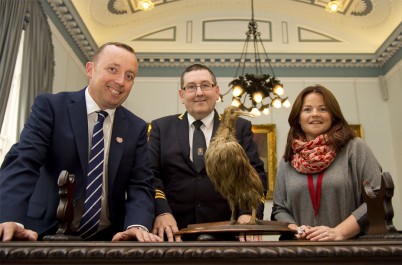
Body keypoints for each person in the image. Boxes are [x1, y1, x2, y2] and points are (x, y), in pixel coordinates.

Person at [0, 42, 162, 242]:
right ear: (90, 69)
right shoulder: (51, 107)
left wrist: (137, 226)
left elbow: (140, 185)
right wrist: (9, 217)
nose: (121, 81)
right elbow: (24, 162)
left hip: (109, 240)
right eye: (113, 69)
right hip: (43, 232)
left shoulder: (136, 127)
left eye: (129, 76)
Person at [148, 64, 267, 242]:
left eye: (205, 85)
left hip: (228, 233)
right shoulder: (161, 128)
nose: (199, 93)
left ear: (216, 91)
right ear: (181, 95)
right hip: (173, 234)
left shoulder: (239, 127)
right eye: (191, 87)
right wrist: (161, 211)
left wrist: (247, 214)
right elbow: (151, 175)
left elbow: (255, 175)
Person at [271, 84, 382, 241]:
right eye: (307, 109)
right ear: (298, 118)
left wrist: (339, 232)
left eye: (322, 109)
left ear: (333, 115)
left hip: (350, 251)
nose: (315, 114)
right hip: (301, 252)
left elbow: (377, 197)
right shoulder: (287, 160)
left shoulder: (355, 148)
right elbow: (279, 209)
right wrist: (297, 230)